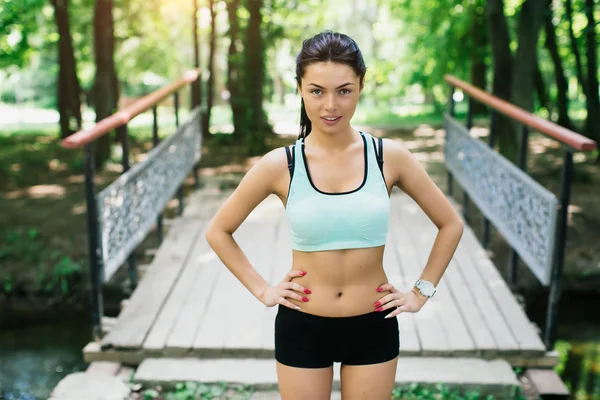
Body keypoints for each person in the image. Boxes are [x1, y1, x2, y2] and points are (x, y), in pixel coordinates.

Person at [206, 30, 464, 400]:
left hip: (374, 325)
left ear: (361, 86)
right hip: (302, 328)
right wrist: (263, 289)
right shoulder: (282, 165)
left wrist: (420, 292)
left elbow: (450, 223)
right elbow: (219, 231)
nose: (331, 105)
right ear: (299, 88)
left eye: (344, 90)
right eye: (317, 91)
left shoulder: (388, 157)